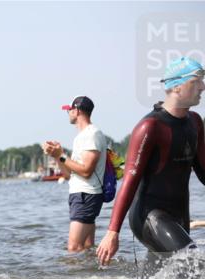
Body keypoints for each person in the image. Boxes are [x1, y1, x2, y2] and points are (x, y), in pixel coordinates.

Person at [96, 57, 204, 267]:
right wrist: (112, 232)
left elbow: (203, 170)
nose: (203, 87)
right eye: (196, 81)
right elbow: (130, 180)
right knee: (193, 263)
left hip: (179, 214)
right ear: (177, 86)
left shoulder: (195, 122)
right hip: (149, 216)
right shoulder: (150, 127)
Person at [43, 96, 107, 252]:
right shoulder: (82, 136)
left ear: (77, 111)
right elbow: (68, 174)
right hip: (81, 195)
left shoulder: (91, 134)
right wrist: (57, 155)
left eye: (69, 110)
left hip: (86, 195)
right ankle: (90, 275)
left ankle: (74, 276)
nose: (68, 113)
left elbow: (86, 171)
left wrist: (62, 155)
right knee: (86, 248)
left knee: (73, 247)